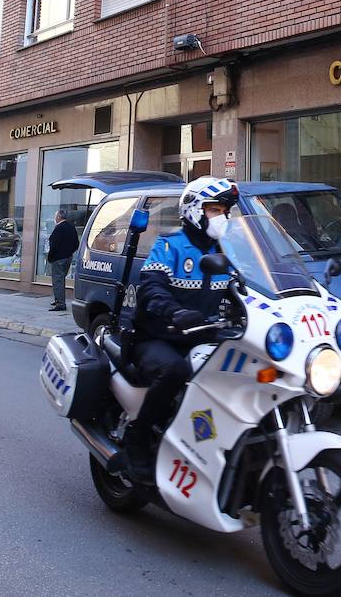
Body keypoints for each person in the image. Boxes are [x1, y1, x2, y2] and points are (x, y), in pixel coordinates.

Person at [121, 176, 238, 480]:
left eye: (225, 210)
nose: (221, 216)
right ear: (195, 210)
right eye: (214, 209)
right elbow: (151, 289)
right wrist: (175, 311)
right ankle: (138, 438)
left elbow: (249, 286)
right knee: (175, 370)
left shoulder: (228, 251)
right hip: (160, 336)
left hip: (204, 336)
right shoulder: (170, 245)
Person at [46, 209, 79, 311]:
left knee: (58, 281)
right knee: (61, 279)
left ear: (59, 217)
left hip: (58, 258)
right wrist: (69, 252)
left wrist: (50, 257)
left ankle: (60, 303)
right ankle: (58, 299)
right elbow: (76, 244)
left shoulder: (58, 228)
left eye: (55, 216)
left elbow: (53, 244)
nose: (54, 218)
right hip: (68, 257)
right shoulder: (71, 227)